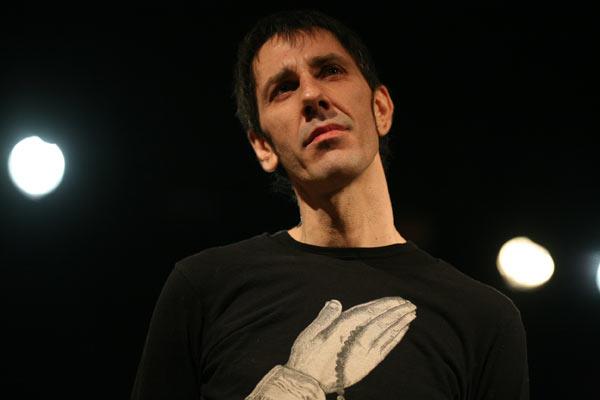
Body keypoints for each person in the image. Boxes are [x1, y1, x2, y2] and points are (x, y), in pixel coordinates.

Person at [131, 9, 529, 400]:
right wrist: (296, 383)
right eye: (284, 88)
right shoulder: (204, 288)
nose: (311, 95)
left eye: (330, 71)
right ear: (263, 146)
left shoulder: (484, 318)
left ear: (380, 109)